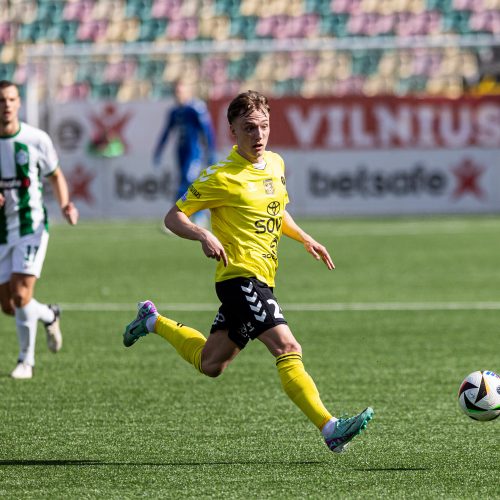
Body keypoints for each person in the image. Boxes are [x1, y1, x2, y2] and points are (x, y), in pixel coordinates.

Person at [124, 90, 373, 453]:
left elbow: (276, 209)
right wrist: (202, 233)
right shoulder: (221, 177)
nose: (258, 136)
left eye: (264, 127)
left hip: (262, 278)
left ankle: (151, 321)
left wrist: (303, 237)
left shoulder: (275, 164)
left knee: (211, 364)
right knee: (287, 346)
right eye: (249, 128)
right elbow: (173, 216)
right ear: (232, 132)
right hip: (239, 279)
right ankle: (329, 428)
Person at [0, 80, 79, 380]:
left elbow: (55, 176)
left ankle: (26, 361)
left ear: (19, 103)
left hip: (30, 225)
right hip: (1, 232)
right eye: (1, 100)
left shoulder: (35, 139)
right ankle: (49, 314)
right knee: (9, 306)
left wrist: (66, 204)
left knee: (20, 295)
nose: (6, 105)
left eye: (11, 99)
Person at [153, 80, 216, 227]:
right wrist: (158, 151)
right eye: (176, 92)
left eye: (180, 91)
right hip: (180, 152)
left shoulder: (196, 108)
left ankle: (179, 217)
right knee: (186, 183)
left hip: (194, 152)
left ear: (188, 92)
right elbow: (167, 132)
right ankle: (195, 215)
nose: (178, 94)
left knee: (187, 182)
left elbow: (207, 130)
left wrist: (210, 151)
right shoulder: (174, 112)